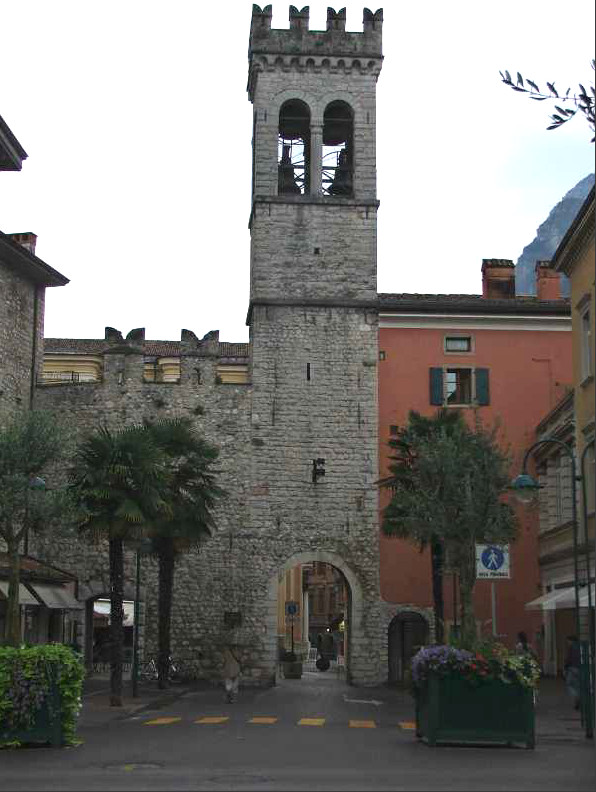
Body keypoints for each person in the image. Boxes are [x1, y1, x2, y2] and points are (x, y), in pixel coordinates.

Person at [564, 635, 581, 711]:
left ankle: (577, 696)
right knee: (577, 685)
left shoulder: (571, 647)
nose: (567, 643)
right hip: (580, 668)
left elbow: (569, 659)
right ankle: (577, 700)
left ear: (571, 641)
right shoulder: (580, 646)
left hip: (572, 668)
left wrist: (565, 667)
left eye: (568, 641)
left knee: (569, 684)